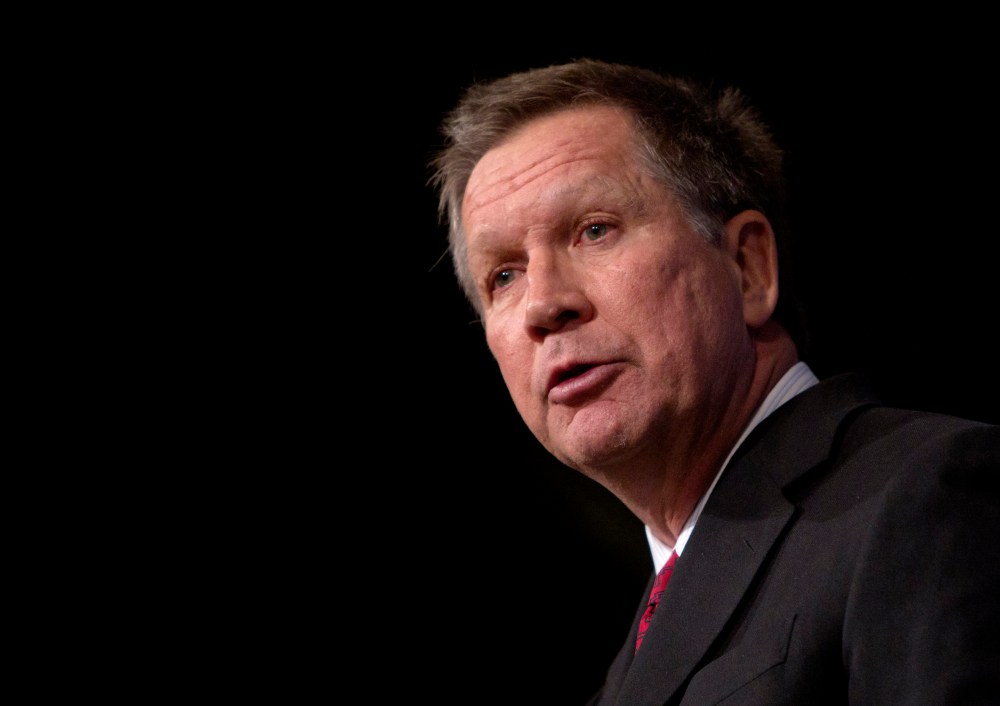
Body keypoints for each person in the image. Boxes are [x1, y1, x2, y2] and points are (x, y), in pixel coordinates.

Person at [428, 58, 1000, 704]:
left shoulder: (922, 499)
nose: (542, 304)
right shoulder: (622, 677)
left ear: (747, 267)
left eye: (594, 230)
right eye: (504, 276)